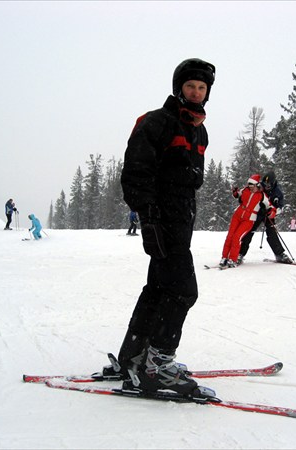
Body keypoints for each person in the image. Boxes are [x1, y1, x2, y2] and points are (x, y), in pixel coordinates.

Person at [112, 58, 216, 396]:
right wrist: (148, 216)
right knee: (184, 291)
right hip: (162, 221)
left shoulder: (199, 128)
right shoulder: (157, 122)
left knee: (158, 288)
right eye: (190, 86)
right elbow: (136, 172)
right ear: (178, 88)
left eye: (202, 87)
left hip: (182, 219)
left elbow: (188, 180)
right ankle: (159, 363)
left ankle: (134, 357)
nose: (196, 92)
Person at [237, 171, 293, 265]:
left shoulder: (277, 192)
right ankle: (240, 254)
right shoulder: (259, 187)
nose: (266, 186)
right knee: (249, 232)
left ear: (273, 183)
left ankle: (279, 254)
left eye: (269, 185)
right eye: (265, 184)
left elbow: (280, 208)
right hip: (257, 214)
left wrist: (273, 212)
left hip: (269, 215)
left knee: (272, 233)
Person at [220, 174, 275, 268]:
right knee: (230, 236)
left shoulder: (262, 195)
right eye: (249, 185)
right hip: (237, 216)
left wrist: (270, 212)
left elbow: (271, 208)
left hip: (249, 220)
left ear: (257, 185)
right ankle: (224, 257)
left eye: (252, 186)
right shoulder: (245, 189)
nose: (250, 188)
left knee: (236, 237)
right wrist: (235, 192)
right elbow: (237, 195)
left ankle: (233, 259)